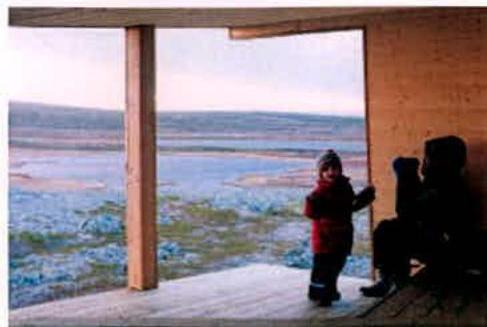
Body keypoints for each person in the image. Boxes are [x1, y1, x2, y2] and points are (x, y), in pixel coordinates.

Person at [360, 135, 475, 297]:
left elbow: (409, 211)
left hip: (444, 246)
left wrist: (405, 177)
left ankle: (396, 279)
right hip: (430, 236)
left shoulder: (450, 187)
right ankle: (390, 278)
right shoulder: (437, 182)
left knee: (394, 229)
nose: (425, 163)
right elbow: (412, 212)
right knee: (387, 229)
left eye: (428, 158)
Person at [304, 149, 375, 306]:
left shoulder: (345, 187)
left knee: (336, 266)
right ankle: (321, 295)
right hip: (324, 239)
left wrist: (364, 198)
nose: (331, 172)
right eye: (326, 169)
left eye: (334, 168)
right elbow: (311, 214)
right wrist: (310, 203)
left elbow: (350, 207)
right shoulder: (320, 192)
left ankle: (330, 291)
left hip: (342, 237)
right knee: (322, 269)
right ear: (320, 172)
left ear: (340, 169)